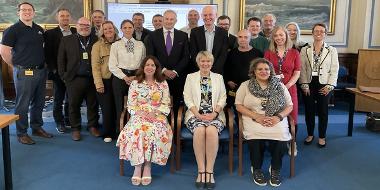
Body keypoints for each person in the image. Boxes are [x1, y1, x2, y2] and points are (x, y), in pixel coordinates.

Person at [0, 2, 53, 145]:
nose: (27, 12)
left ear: (34, 13)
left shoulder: (39, 29)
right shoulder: (12, 30)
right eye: (24, 10)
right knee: (22, 104)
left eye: (30, 10)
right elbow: (4, 52)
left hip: (40, 71)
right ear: (18, 13)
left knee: (39, 101)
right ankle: (21, 133)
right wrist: (17, 66)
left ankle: (37, 127)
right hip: (24, 72)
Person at [235, 58, 293, 187]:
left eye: (266, 69)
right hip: (252, 117)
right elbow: (238, 105)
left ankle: (275, 168)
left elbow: (289, 106)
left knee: (282, 135)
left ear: (271, 71)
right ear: (254, 71)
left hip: (275, 117)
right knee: (255, 137)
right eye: (260, 69)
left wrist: (278, 117)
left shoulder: (279, 85)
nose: (263, 71)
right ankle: (256, 169)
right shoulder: (245, 85)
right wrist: (256, 116)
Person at [116, 56, 172, 186]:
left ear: (156, 68)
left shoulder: (163, 83)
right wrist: (140, 113)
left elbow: (166, 103)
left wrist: (155, 113)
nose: (150, 67)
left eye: (153, 65)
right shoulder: (135, 83)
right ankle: (137, 166)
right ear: (143, 67)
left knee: (154, 130)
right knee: (138, 130)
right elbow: (130, 104)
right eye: (147, 65)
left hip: (157, 115)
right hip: (139, 115)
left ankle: (147, 166)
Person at [183, 51, 227, 189]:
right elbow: (187, 97)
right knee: (200, 130)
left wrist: (215, 113)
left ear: (212, 63)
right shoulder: (190, 77)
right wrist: (197, 114)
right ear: (198, 62)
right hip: (195, 115)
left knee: (212, 131)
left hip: (215, 115)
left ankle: (210, 171)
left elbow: (223, 97)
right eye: (202, 61)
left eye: (208, 61)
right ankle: (201, 170)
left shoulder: (218, 77)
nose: (205, 64)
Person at [57, 17, 101, 141]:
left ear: (90, 27)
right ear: (76, 26)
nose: (84, 27)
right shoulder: (66, 40)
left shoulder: (97, 40)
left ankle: (92, 126)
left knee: (93, 104)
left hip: (93, 78)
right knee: (73, 105)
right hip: (74, 79)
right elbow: (61, 59)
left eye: (87, 25)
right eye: (82, 25)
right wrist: (63, 76)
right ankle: (76, 128)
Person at [146, 9, 189, 125]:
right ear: (163, 19)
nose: (169, 21)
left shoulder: (183, 36)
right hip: (159, 76)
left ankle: (174, 131)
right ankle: (159, 129)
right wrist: (164, 70)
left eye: (172, 19)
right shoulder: (153, 35)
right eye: (167, 19)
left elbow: (186, 57)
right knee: (158, 105)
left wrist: (175, 71)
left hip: (177, 78)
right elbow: (151, 56)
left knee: (175, 106)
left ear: (176, 21)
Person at [299, 23, 339, 148]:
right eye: (316, 31)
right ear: (312, 33)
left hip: (324, 84)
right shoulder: (305, 49)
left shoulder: (332, 50)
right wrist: (304, 84)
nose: (319, 33)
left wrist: (330, 85)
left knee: (323, 111)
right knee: (309, 110)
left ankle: (322, 136)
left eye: (322, 31)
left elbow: (334, 69)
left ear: (325, 34)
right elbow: (302, 68)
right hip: (309, 83)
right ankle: (310, 134)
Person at [264, 26, 301, 155]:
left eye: (281, 35)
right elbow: (265, 71)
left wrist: (288, 85)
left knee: (293, 116)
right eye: (276, 36)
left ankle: (293, 142)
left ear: (286, 36)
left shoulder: (294, 52)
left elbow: (297, 72)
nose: (279, 38)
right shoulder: (268, 52)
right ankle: (276, 141)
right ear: (273, 38)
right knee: (275, 114)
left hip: (290, 88)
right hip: (272, 89)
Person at [109, 19, 146, 135]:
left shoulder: (140, 44)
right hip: (120, 78)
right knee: (120, 105)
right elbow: (112, 65)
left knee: (136, 104)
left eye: (130, 27)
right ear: (121, 30)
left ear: (133, 28)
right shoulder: (116, 45)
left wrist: (136, 76)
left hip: (137, 77)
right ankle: (121, 132)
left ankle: (134, 132)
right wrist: (125, 77)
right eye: (125, 28)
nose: (127, 30)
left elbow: (143, 62)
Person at [44, 8, 77, 133]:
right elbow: (48, 54)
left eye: (67, 16)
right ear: (57, 18)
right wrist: (54, 70)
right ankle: (59, 121)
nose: (65, 18)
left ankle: (68, 119)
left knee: (71, 98)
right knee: (58, 98)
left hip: (74, 72)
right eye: (62, 16)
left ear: (70, 18)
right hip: (58, 73)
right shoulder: (50, 34)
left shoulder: (75, 31)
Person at [91, 21, 120, 143]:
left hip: (119, 80)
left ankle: (120, 132)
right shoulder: (97, 46)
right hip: (105, 80)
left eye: (110, 28)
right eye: (106, 29)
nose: (108, 30)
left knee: (119, 107)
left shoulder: (121, 43)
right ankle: (107, 132)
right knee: (107, 108)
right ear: (102, 31)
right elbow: (95, 66)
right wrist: (98, 84)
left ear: (114, 29)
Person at [225, 29, 263, 107]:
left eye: (246, 37)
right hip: (234, 88)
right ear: (237, 38)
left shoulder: (258, 53)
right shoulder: (231, 53)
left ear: (250, 38)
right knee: (235, 111)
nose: (243, 39)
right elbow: (226, 69)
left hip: (252, 89)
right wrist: (228, 81)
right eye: (240, 37)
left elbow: (261, 70)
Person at [190, 6, 229, 74]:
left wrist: (213, 71)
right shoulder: (194, 32)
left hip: (217, 72)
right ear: (202, 16)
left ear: (216, 15)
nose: (208, 17)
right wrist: (203, 69)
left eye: (210, 14)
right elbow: (194, 53)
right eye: (205, 15)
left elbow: (223, 55)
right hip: (199, 71)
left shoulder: (223, 33)